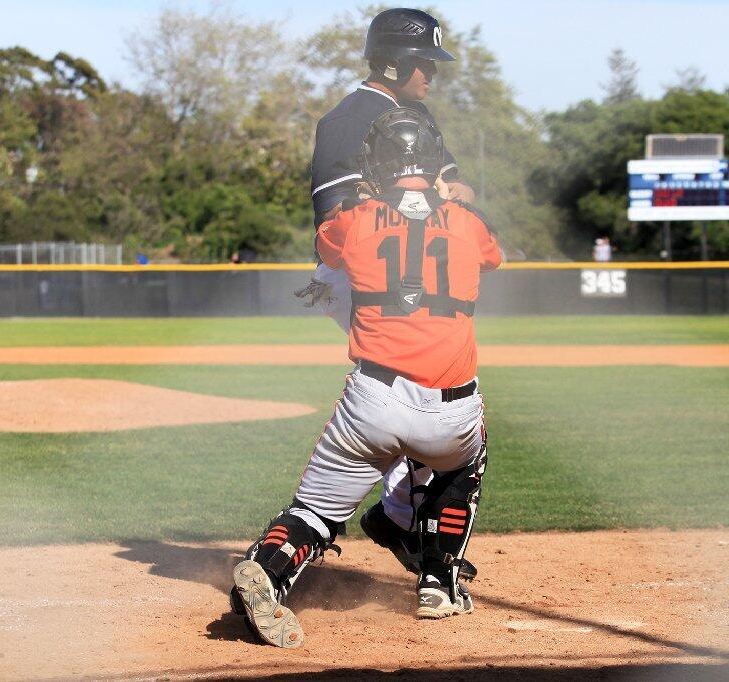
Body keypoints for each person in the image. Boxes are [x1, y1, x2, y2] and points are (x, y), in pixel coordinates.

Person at [232, 108, 501, 648]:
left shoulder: (354, 219)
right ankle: (438, 581)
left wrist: (363, 200)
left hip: (373, 399)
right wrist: (451, 200)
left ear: (375, 166)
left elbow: (327, 244)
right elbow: (491, 256)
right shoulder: (469, 223)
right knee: (461, 466)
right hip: (452, 408)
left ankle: (270, 565)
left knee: (315, 510)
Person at [298, 7, 478, 584]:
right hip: (358, 273)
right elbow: (338, 217)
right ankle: (400, 516)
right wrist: (433, 198)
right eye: (425, 61)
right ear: (395, 60)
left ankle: (400, 516)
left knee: (421, 388)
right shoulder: (349, 119)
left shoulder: (414, 113)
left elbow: (460, 190)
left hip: (397, 264)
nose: (432, 72)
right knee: (421, 386)